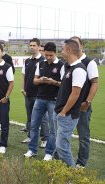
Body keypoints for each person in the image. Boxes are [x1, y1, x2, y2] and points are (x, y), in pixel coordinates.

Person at [24, 42, 63, 160]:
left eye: (51, 55)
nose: (48, 57)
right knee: (34, 126)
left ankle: (49, 153)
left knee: (53, 129)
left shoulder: (61, 65)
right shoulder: (40, 63)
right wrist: (41, 80)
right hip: (39, 98)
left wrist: (54, 82)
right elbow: (34, 81)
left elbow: (64, 85)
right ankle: (32, 150)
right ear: (43, 52)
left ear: (55, 53)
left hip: (53, 101)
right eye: (46, 55)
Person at [54, 39, 87, 167]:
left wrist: (63, 112)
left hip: (67, 115)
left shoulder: (79, 69)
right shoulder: (68, 66)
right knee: (59, 147)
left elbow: (75, 94)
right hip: (59, 112)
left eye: (62, 49)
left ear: (68, 50)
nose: (61, 52)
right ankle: (59, 172)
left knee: (62, 147)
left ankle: (71, 176)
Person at [70, 36, 99, 167]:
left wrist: (87, 102)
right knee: (62, 134)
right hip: (68, 106)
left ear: (81, 45)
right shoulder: (69, 62)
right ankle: (60, 158)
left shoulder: (89, 62)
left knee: (83, 136)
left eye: (76, 44)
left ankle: (81, 162)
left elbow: (95, 83)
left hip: (82, 107)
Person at [21, 38, 49, 147]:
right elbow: (24, 76)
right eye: (31, 45)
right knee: (29, 117)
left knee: (42, 119)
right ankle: (30, 136)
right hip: (28, 94)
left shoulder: (43, 61)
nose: (32, 47)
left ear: (38, 46)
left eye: (34, 45)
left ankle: (45, 139)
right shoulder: (27, 61)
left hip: (39, 95)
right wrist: (23, 89)